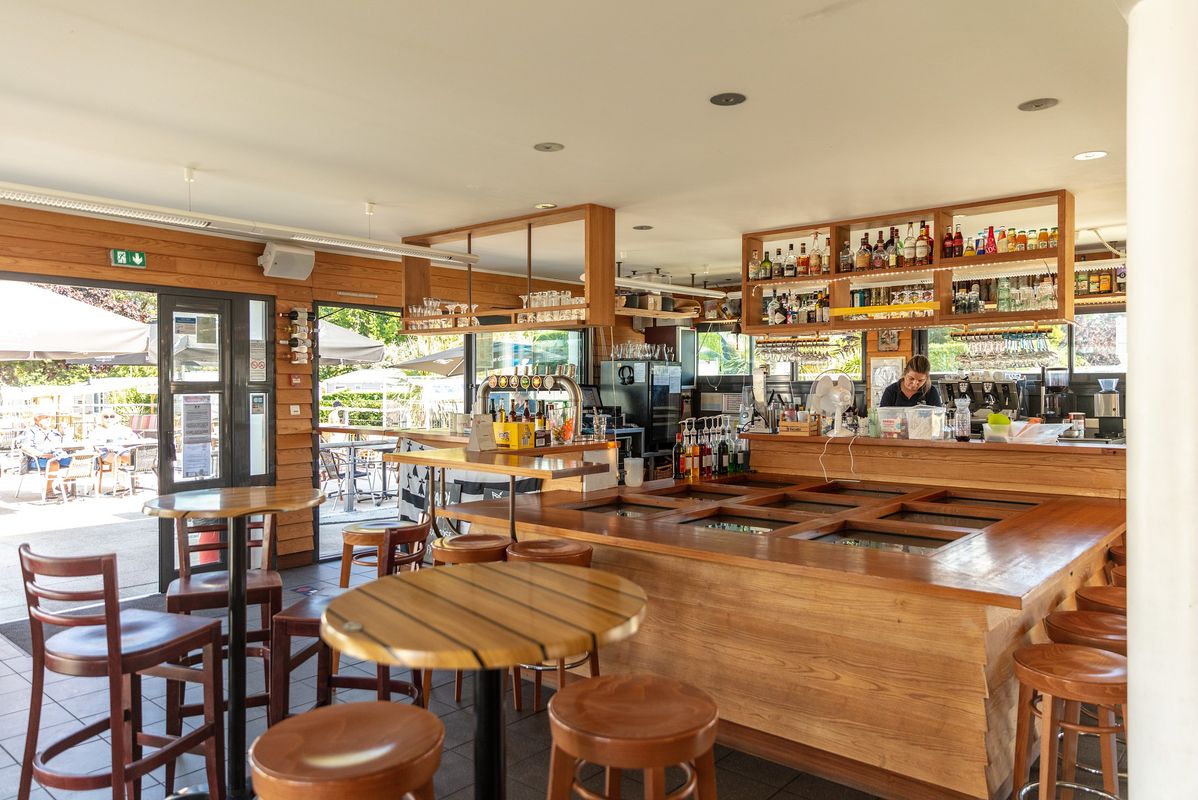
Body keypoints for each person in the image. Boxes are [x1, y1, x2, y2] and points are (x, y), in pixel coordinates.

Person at [21, 414, 72, 499]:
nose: (48, 420)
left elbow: (63, 445)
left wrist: (66, 435)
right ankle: (48, 490)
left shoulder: (54, 432)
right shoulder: (30, 431)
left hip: (57, 456)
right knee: (53, 463)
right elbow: (25, 447)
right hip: (38, 459)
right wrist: (40, 454)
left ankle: (63, 484)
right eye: (45, 418)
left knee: (74, 460)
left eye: (49, 418)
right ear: (37, 420)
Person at [879, 355, 943, 407]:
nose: (915, 383)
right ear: (904, 373)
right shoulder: (891, 391)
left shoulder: (931, 392)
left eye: (920, 380)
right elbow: (883, 417)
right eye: (911, 378)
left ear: (926, 378)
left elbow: (937, 418)